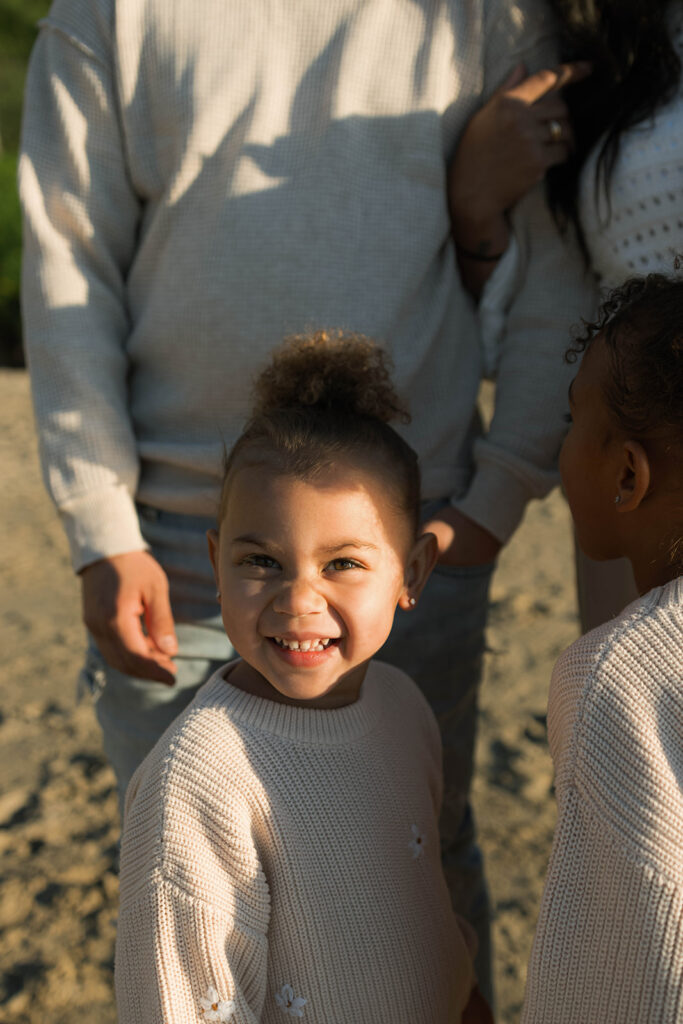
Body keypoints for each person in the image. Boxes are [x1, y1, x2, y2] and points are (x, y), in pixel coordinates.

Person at [19, 0, 592, 993]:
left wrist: (500, 489)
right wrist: (99, 528)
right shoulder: (108, 14)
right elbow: (68, 256)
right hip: (176, 547)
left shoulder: (486, 15)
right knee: (191, 886)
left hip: (418, 536)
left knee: (423, 852)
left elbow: (547, 266)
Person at [115, 332, 493, 1024]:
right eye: (260, 561)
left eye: (342, 564)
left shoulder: (404, 708)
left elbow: (425, 898)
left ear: (410, 575)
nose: (298, 601)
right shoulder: (198, 781)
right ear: (214, 565)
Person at [448, 0, 682, 630]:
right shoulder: (601, 36)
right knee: (619, 704)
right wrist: (474, 206)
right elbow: (564, 306)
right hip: (638, 477)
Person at [520, 273, 683, 1022]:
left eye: (570, 421)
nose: (559, 451)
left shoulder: (616, 679)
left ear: (625, 474)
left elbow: (620, 973)